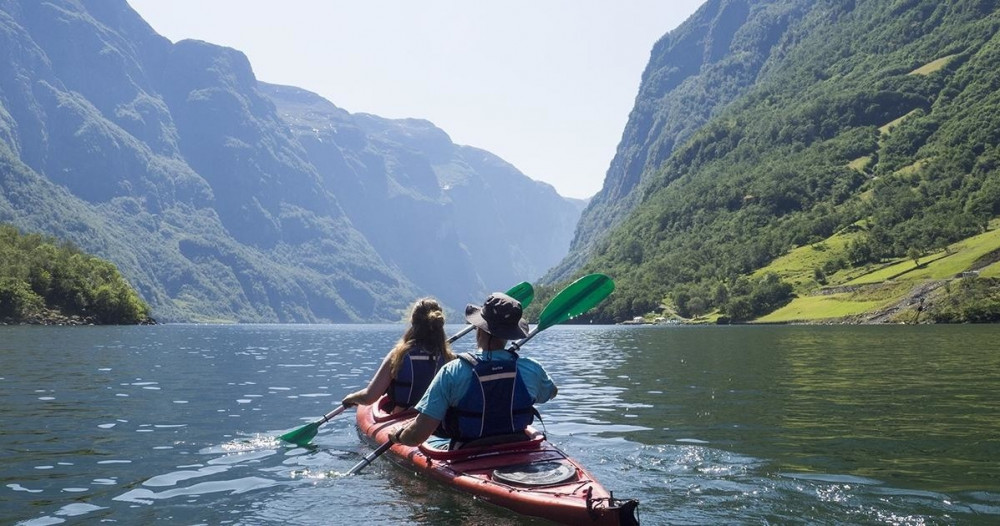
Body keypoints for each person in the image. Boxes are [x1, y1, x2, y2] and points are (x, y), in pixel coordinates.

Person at [389, 292, 557, 448]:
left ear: (478, 328)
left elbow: (417, 437)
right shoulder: (532, 368)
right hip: (517, 446)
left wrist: (397, 437)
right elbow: (551, 392)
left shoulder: (452, 372)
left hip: (466, 451)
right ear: (510, 334)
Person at [342, 298, 455, 413]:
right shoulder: (449, 358)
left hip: (402, 417)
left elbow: (369, 397)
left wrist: (351, 397)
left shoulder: (399, 355)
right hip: (435, 419)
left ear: (413, 323)